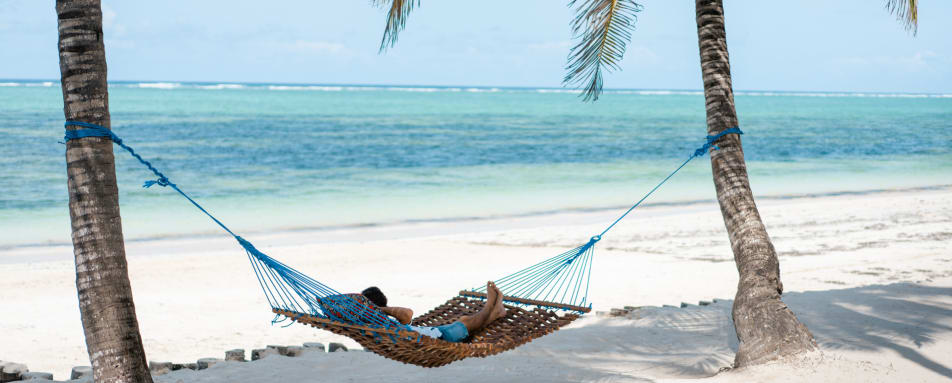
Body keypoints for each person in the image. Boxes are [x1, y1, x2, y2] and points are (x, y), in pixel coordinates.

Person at [322, 282, 507, 343]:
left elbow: (407, 314)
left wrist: (375, 310)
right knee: (469, 322)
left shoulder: (384, 323)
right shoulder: (382, 324)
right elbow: (407, 314)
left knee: (468, 321)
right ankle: (493, 308)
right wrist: (376, 310)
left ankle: (495, 310)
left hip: (438, 333)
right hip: (442, 336)